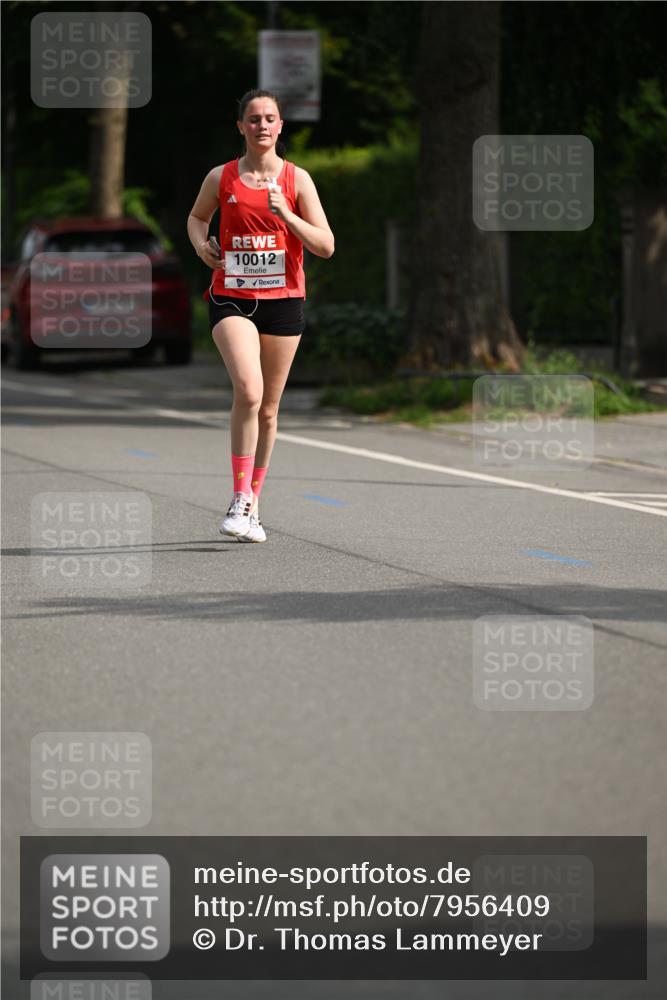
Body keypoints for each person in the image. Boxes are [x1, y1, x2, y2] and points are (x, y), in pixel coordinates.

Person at [187, 88, 334, 542]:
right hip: (232, 296)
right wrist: (202, 247)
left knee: (269, 410)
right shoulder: (222, 177)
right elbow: (196, 218)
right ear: (241, 127)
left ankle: (254, 502)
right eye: (254, 119)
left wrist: (287, 215)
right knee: (248, 391)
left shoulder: (297, 180)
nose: (263, 125)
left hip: (284, 302)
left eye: (270, 118)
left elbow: (325, 246)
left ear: (281, 126)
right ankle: (238, 499)